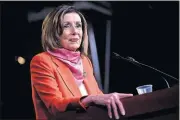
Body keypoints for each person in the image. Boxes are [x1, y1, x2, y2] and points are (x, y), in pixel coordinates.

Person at [30, 5, 133, 120]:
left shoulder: (84, 61)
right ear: (54, 32)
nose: (75, 32)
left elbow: (98, 96)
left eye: (78, 26)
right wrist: (90, 99)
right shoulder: (42, 61)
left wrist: (113, 100)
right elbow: (55, 105)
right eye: (66, 26)